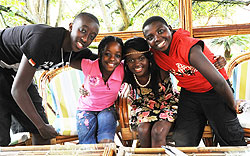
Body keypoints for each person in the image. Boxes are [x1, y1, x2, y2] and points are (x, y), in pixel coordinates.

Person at [142, 16, 247, 146]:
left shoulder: (187, 46)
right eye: (150, 37)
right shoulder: (157, 54)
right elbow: (156, 75)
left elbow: (218, 82)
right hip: (190, 93)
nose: (157, 38)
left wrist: (233, 104)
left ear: (169, 28)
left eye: (160, 31)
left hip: (215, 90)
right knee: (183, 141)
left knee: (231, 138)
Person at [0, 12, 100, 146]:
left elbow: (102, 64)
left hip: (14, 71)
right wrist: (41, 126)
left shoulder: (75, 52)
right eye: (83, 31)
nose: (86, 39)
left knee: (42, 133)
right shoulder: (44, 40)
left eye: (92, 37)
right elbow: (18, 90)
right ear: (71, 26)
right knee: (3, 135)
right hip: (3, 64)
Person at [122, 37, 228, 147]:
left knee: (158, 131)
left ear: (148, 58)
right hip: (144, 107)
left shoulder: (160, 67)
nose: (136, 63)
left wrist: (216, 60)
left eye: (141, 58)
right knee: (143, 130)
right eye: (131, 60)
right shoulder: (125, 72)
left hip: (168, 104)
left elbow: (190, 67)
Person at [70, 36, 124, 144]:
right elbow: (67, 59)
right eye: (107, 54)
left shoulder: (123, 69)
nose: (112, 59)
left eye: (117, 55)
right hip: (85, 109)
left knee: (106, 141)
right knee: (87, 145)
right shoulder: (89, 65)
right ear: (100, 54)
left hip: (107, 108)